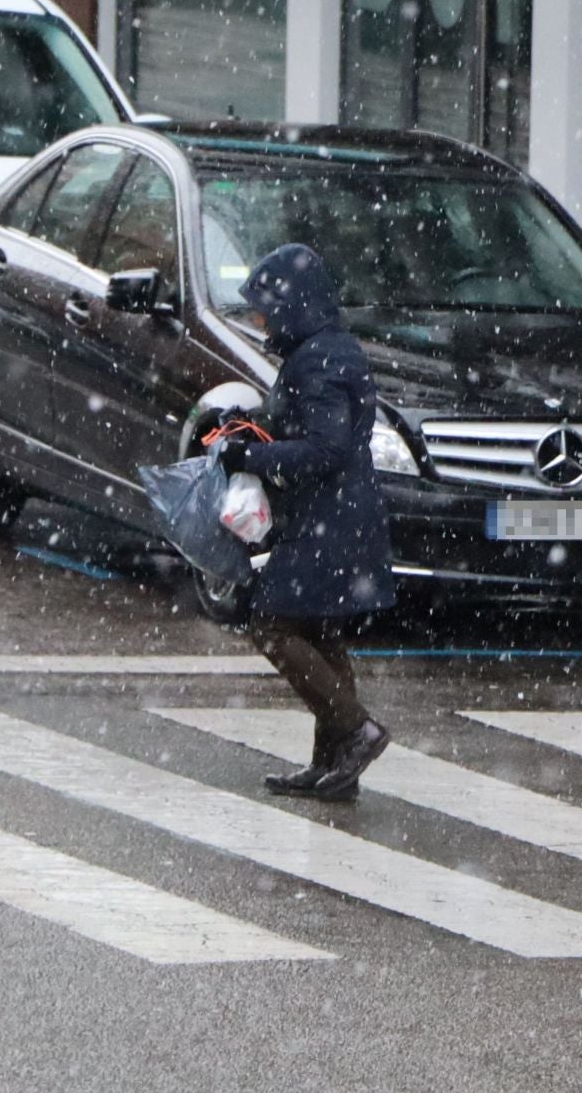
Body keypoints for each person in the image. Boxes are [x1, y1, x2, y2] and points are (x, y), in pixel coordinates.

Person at [215, 244, 397, 801]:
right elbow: (308, 427)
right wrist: (253, 427)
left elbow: (325, 448)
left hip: (330, 520)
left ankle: (356, 732)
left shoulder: (319, 359)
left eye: (266, 307)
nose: (259, 319)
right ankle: (332, 764)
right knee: (319, 631)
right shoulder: (322, 350)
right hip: (340, 516)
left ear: (293, 304)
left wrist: (252, 459)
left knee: (272, 625)